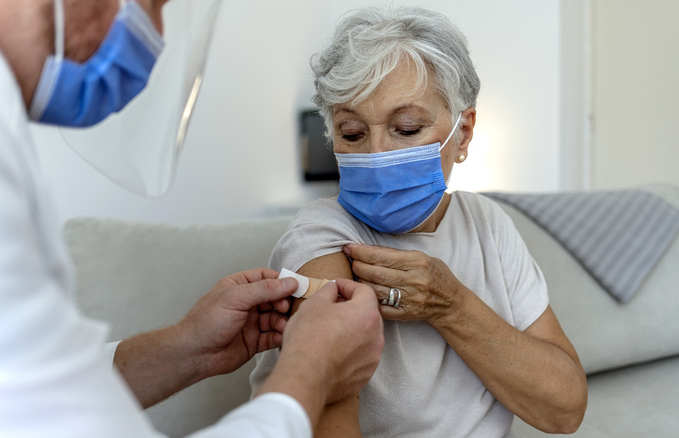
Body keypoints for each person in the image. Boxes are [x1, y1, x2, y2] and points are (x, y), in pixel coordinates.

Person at [0, 1, 384, 437]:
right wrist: (310, 373)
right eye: (153, 4)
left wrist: (189, 348)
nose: (155, 33)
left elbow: (15, 386)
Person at [250, 6, 588, 437]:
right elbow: (328, 420)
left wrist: (452, 305)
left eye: (406, 129)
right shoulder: (321, 237)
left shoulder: (487, 223)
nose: (376, 154)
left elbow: (564, 410)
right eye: (352, 132)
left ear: (462, 134)